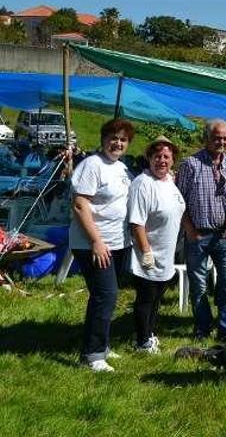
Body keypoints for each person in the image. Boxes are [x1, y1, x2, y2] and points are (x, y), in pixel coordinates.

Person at [70, 119, 135, 372]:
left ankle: (101, 344)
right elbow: (80, 205)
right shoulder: (91, 165)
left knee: (106, 296)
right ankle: (92, 354)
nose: (117, 143)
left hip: (117, 242)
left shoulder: (121, 168)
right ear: (103, 138)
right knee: (105, 295)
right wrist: (96, 241)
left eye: (123, 139)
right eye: (113, 137)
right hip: (93, 243)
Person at [177, 120, 226, 344]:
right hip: (198, 233)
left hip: (225, 234)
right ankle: (202, 327)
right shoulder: (191, 164)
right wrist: (190, 230)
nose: (221, 142)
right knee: (199, 285)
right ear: (206, 138)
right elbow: (179, 201)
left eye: (225, 138)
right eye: (217, 137)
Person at [128, 136, 185, 354]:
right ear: (149, 158)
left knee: (157, 297)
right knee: (146, 297)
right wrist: (146, 251)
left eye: (166, 157)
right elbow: (137, 221)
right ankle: (142, 341)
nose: (162, 160)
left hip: (167, 250)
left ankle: (149, 334)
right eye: (157, 156)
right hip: (149, 250)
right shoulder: (143, 184)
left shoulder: (169, 181)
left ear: (172, 160)